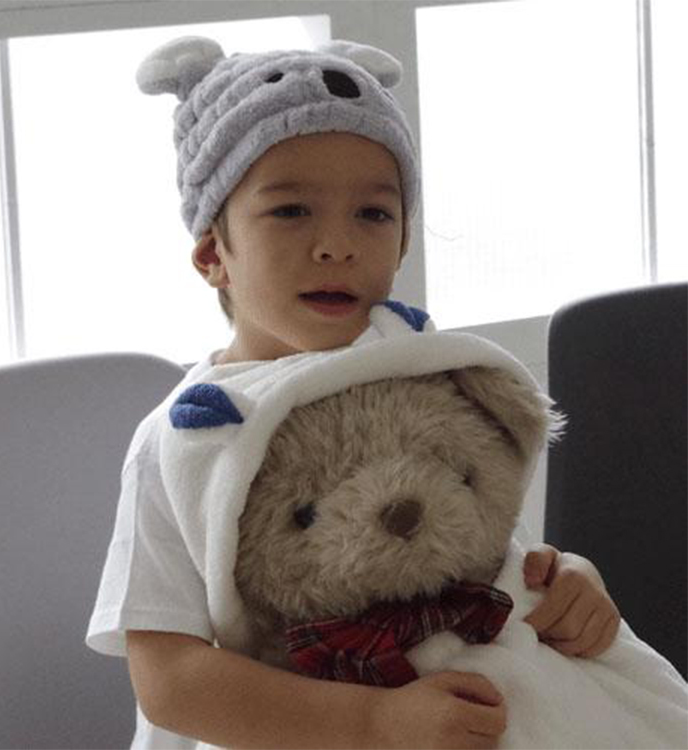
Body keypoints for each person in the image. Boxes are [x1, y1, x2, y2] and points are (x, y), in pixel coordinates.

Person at [86, 36, 620, 749]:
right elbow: (171, 680)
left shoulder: (420, 374)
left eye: (373, 214)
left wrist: (565, 581)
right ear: (214, 252)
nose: (337, 244)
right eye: (291, 211)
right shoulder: (185, 440)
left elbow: (476, 551)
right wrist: (373, 722)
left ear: (402, 242)